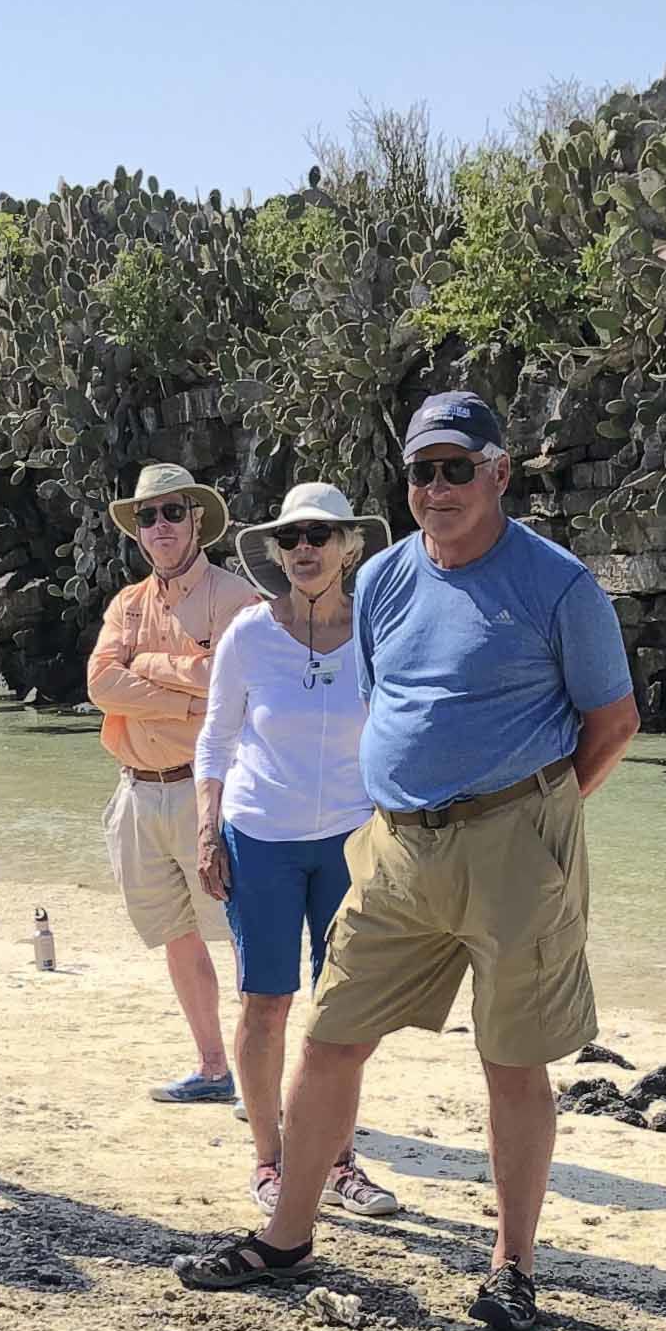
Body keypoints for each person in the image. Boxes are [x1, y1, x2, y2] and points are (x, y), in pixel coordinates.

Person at [175, 391, 638, 1331]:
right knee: (330, 1035)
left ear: (498, 472)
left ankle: (512, 1267)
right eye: (422, 471)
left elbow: (614, 721)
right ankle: (286, 1237)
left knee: (511, 1060)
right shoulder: (383, 578)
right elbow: (391, 697)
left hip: (515, 847)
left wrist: (536, 816)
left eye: (457, 468)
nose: (437, 487)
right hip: (393, 846)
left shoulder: (558, 585)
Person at [195, 482, 403, 1222]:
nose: (305, 549)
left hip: (353, 841)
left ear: (349, 547)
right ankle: (270, 1160)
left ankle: (338, 1161)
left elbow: (403, 731)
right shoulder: (249, 635)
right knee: (266, 1003)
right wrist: (207, 830)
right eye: (291, 538)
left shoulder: (378, 631)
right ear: (277, 554)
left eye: (320, 535)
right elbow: (215, 739)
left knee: (344, 1011)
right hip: (260, 838)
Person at [89, 462, 254, 1103]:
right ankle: (213, 1068)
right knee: (175, 934)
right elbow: (101, 685)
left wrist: (148, 666)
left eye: (172, 512)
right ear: (138, 530)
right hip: (136, 791)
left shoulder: (236, 598)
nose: (160, 525)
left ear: (196, 521)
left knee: (241, 935)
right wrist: (187, 699)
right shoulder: (126, 603)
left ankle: (256, 1075)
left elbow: (231, 681)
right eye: (148, 516)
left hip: (208, 792)